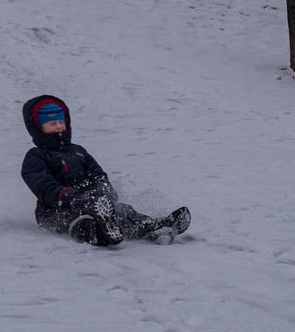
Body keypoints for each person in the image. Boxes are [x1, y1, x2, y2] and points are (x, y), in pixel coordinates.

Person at [20, 94, 190, 246]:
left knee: (123, 210)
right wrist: (70, 197)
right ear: (38, 128)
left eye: (61, 122)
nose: (58, 127)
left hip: (93, 201)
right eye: (52, 123)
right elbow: (43, 186)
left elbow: (97, 172)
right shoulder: (36, 157)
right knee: (83, 220)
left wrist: (104, 189)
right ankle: (98, 234)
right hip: (55, 210)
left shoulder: (78, 151)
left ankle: (151, 226)